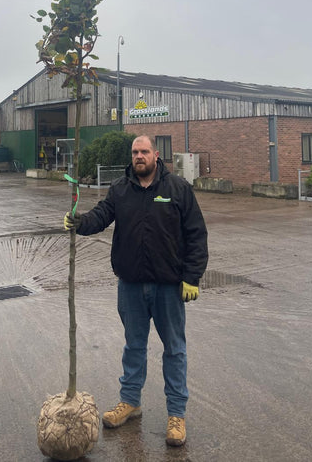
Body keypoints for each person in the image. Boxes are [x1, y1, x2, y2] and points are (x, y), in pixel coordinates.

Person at [64, 134, 208, 446]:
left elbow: (196, 234)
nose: (138, 156)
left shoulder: (177, 189)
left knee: (175, 350)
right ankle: (130, 402)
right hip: (130, 284)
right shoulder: (120, 189)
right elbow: (101, 215)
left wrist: (192, 277)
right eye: (134, 152)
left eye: (144, 151)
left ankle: (176, 415)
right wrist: (80, 221)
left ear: (156, 155)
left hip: (169, 287)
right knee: (133, 347)